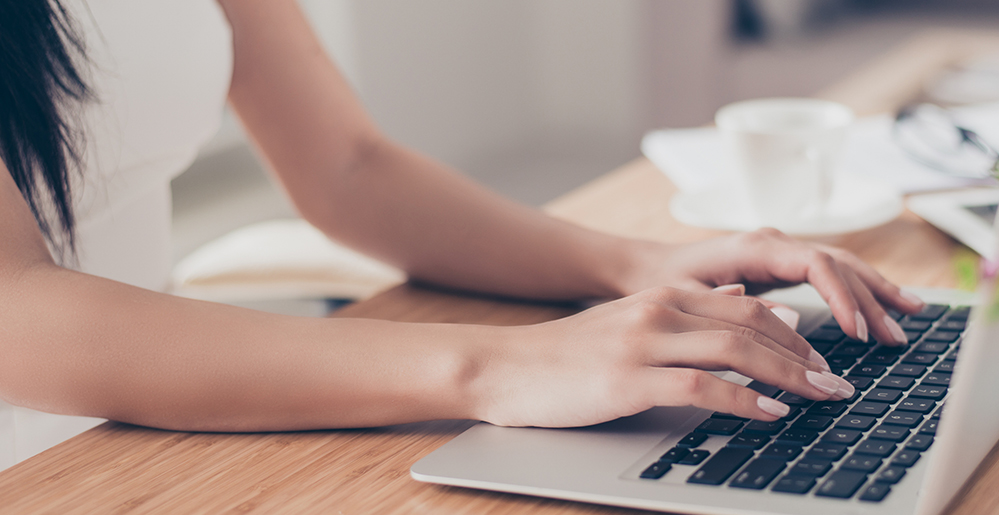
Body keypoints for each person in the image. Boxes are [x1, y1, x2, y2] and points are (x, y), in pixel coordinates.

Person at [0, 0, 923, 469]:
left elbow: (346, 164)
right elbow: (13, 309)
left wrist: (631, 264)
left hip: (150, 428)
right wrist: (503, 364)